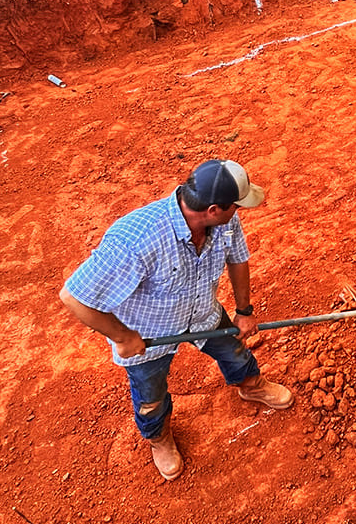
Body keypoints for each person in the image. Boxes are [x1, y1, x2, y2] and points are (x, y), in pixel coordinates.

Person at [59, 159, 292, 482]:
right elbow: (74, 296)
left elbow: (237, 258)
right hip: (149, 335)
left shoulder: (224, 222)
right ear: (213, 208)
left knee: (235, 352)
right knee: (150, 397)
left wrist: (244, 310)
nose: (239, 212)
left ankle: (251, 386)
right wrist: (124, 337)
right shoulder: (136, 239)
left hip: (203, 314)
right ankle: (159, 438)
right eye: (235, 206)